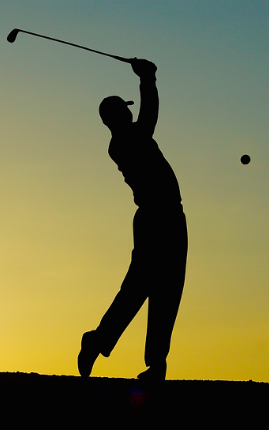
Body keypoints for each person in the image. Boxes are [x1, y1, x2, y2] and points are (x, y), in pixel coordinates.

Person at [77, 58, 188, 381]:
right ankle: (99, 340)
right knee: (141, 287)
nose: (129, 112)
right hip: (157, 219)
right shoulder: (127, 140)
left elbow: (146, 117)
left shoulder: (127, 138)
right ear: (117, 116)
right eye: (124, 110)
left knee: (167, 289)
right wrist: (148, 78)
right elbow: (150, 114)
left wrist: (148, 78)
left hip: (168, 216)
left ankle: (154, 364)